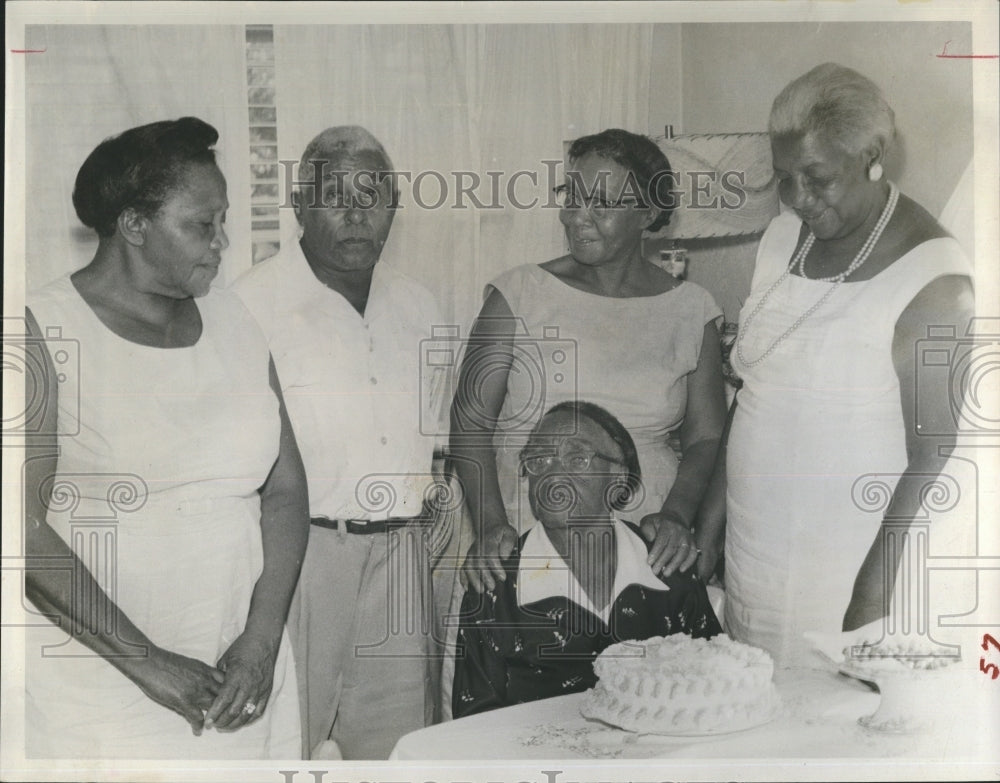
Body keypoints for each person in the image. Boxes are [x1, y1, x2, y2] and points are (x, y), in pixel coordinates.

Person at [23, 117, 308, 758]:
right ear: (133, 225)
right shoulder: (42, 330)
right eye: (202, 225)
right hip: (102, 679)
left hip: (241, 671)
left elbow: (286, 487)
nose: (222, 242)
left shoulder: (234, 318)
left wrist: (261, 639)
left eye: (223, 220)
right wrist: (147, 661)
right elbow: (18, 529)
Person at [718, 63, 975, 666]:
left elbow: (937, 453)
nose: (799, 199)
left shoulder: (935, 276)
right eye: (784, 179)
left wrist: (874, 591)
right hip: (753, 542)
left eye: (818, 177)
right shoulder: (782, 237)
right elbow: (755, 386)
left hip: (848, 560)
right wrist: (710, 521)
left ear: (872, 154)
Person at [234, 126, 443, 760]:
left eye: (373, 194)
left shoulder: (421, 306)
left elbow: (435, 442)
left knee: (402, 754)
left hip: (403, 561)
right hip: (296, 561)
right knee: (281, 749)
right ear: (299, 204)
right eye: (334, 194)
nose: (357, 213)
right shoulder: (246, 306)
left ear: (394, 208)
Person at [451, 128, 728, 596]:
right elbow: (469, 423)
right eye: (572, 196)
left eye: (602, 203)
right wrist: (491, 525)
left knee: (647, 668)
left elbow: (705, 437)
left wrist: (678, 514)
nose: (577, 216)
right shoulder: (517, 294)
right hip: (529, 527)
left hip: (647, 536)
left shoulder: (692, 308)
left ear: (649, 212)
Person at [451, 401, 722, 718]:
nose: (553, 474)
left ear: (618, 477)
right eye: (540, 460)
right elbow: (473, 723)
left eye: (576, 458)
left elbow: (716, 688)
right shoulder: (494, 583)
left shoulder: (667, 567)